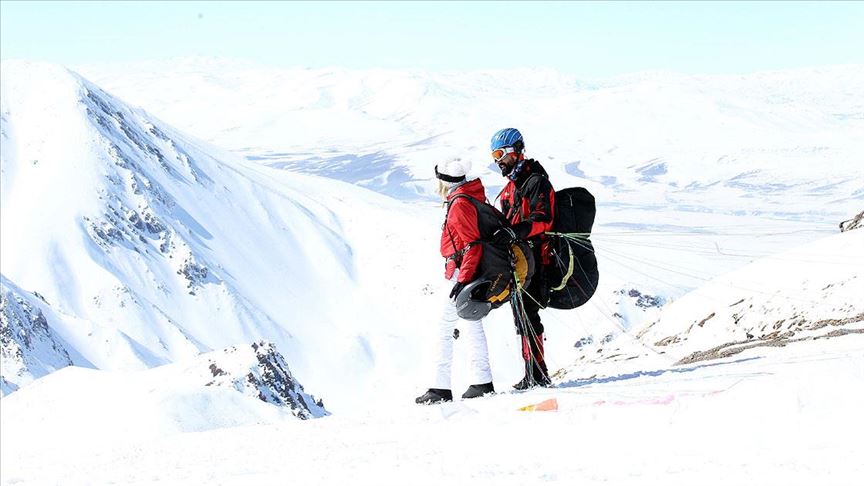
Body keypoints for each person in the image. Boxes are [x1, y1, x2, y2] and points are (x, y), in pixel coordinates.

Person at [415, 158, 496, 405]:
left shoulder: (459, 204)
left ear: (444, 182)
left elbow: (472, 243)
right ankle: (482, 382)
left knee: (444, 329)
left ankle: (440, 388)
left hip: (462, 274)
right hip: (467, 273)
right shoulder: (466, 197)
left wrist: (463, 280)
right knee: (472, 326)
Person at [490, 128, 555, 390]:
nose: (498, 161)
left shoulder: (536, 182)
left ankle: (538, 374)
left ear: (515, 151)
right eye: (494, 156)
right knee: (521, 315)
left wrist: (516, 232)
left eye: (500, 154)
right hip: (519, 261)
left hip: (538, 259)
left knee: (528, 314)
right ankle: (534, 373)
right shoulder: (510, 189)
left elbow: (543, 218)